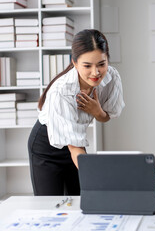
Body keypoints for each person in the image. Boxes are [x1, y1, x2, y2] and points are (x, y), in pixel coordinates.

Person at [28, 29, 125, 196]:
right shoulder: (62, 91)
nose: (96, 73)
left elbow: (106, 116)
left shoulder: (112, 77)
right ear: (74, 63)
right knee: (51, 206)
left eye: (101, 64)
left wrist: (97, 111)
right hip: (47, 148)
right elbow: (74, 147)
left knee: (82, 199)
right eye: (87, 66)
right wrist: (98, 179)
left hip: (74, 145)